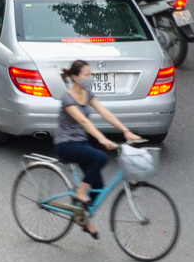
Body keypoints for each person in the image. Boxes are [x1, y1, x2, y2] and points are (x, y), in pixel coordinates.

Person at [53, 60, 145, 239]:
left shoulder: (87, 94)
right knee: (100, 158)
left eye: (90, 75)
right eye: (86, 75)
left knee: (99, 186)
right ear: (75, 77)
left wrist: (125, 131)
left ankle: (82, 218)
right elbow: (83, 121)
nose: (90, 78)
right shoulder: (67, 98)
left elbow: (105, 112)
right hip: (65, 144)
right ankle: (80, 193)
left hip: (80, 142)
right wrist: (102, 138)